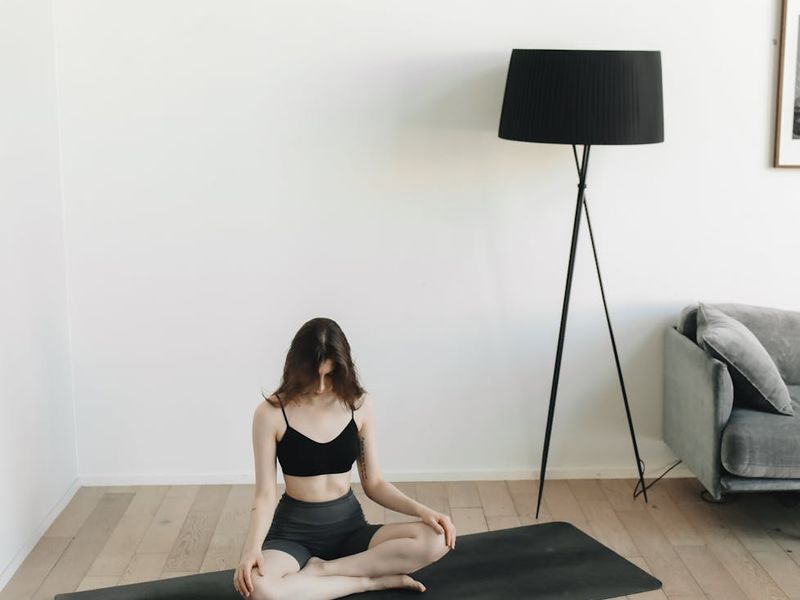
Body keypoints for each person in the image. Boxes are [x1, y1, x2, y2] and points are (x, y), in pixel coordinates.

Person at [233, 317, 456, 600]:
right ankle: (367, 581)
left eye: (329, 375)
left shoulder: (359, 405)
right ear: (296, 366)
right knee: (258, 589)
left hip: (350, 530)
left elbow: (374, 483)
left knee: (438, 538)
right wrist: (251, 549)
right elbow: (265, 495)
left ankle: (323, 571)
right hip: (293, 535)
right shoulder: (271, 413)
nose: (321, 386)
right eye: (313, 375)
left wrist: (423, 512)